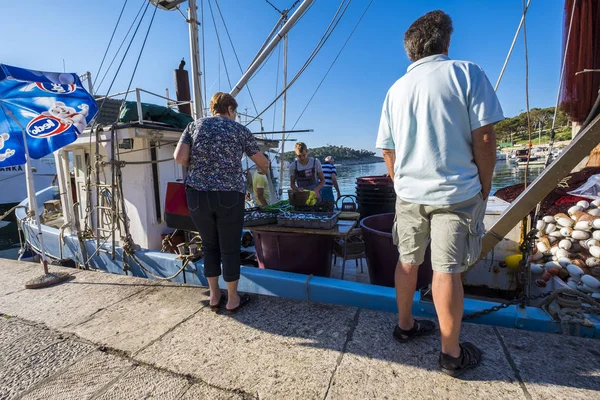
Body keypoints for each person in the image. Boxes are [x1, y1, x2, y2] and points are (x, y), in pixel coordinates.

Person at [376, 10, 503, 377]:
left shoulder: (396, 89)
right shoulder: (467, 73)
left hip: (409, 192)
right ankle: (451, 354)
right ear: (446, 41)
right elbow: (484, 137)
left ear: (410, 50)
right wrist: (484, 183)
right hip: (455, 193)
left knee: (407, 261)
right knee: (446, 271)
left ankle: (405, 326)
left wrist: (400, 184)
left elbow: (388, 151)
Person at [174, 92, 269, 314]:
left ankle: (215, 295)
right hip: (228, 195)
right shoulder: (239, 130)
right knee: (230, 248)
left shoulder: (193, 126)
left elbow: (179, 157)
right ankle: (233, 299)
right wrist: (262, 168)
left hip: (197, 194)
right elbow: (262, 162)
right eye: (234, 112)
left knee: (209, 246)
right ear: (230, 110)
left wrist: (202, 167)